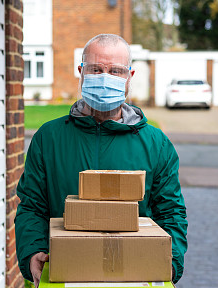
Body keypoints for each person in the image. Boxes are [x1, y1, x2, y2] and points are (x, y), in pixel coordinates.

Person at [15, 34, 188, 287]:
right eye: (96, 69)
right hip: (64, 274)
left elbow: (171, 211)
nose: (106, 78)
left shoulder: (156, 144)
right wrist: (32, 252)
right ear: (81, 71)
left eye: (115, 71)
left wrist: (170, 262)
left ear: (130, 76)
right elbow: (32, 206)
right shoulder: (49, 138)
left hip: (136, 276)